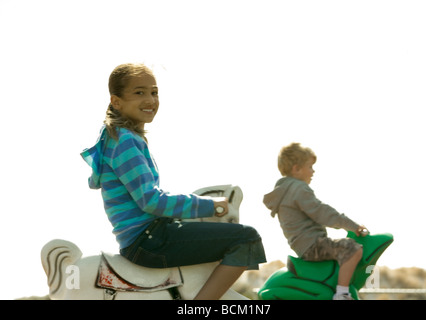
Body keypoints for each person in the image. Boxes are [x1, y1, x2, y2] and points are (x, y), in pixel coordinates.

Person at [81, 63, 266, 300]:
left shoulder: (115, 139)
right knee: (246, 239)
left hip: (142, 238)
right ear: (116, 101)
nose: (150, 99)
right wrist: (212, 206)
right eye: (139, 92)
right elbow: (151, 201)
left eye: (154, 92)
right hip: (149, 240)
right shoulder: (125, 141)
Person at [263, 142, 366, 300]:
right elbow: (322, 213)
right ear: (296, 169)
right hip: (313, 244)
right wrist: (353, 226)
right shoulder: (298, 188)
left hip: (301, 246)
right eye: (310, 167)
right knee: (352, 248)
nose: (313, 171)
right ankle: (342, 294)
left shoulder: (284, 191)